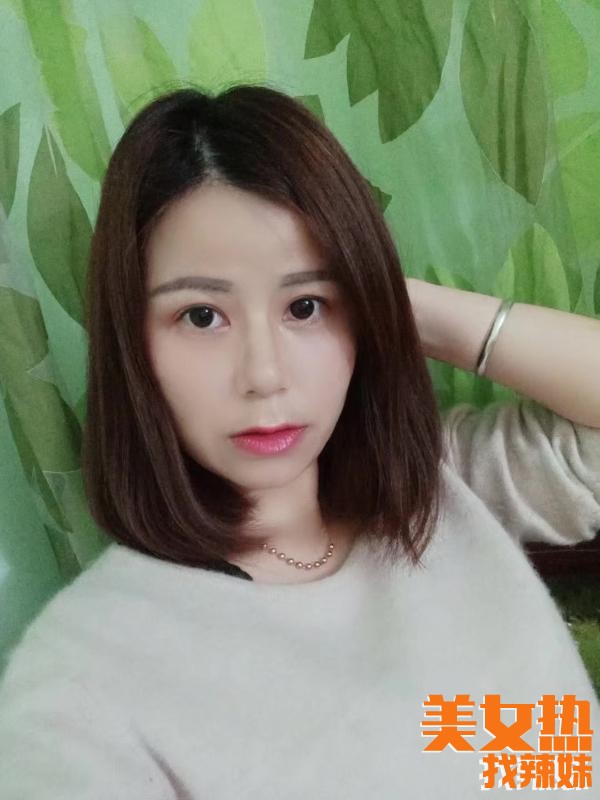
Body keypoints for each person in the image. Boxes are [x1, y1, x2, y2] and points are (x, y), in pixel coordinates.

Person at [0, 83, 599, 799]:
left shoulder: (446, 481)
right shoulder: (85, 675)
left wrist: (389, 299)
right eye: (201, 316)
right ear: (133, 343)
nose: (265, 375)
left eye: (306, 307)